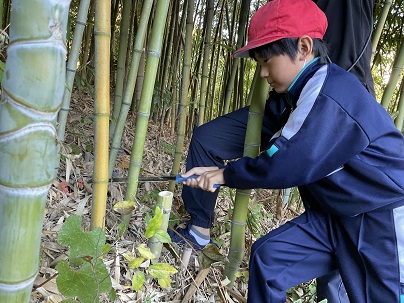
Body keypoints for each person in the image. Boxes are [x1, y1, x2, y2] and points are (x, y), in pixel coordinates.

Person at [172, 0, 404, 302]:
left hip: (379, 219)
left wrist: (224, 174)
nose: (263, 73)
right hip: (336, 217)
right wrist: (218, 173)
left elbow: (286, 160)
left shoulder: (332, 93)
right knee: (270, 259)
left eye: (267, 61)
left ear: (304, 47)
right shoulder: (301, 93)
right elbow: (277, 152)